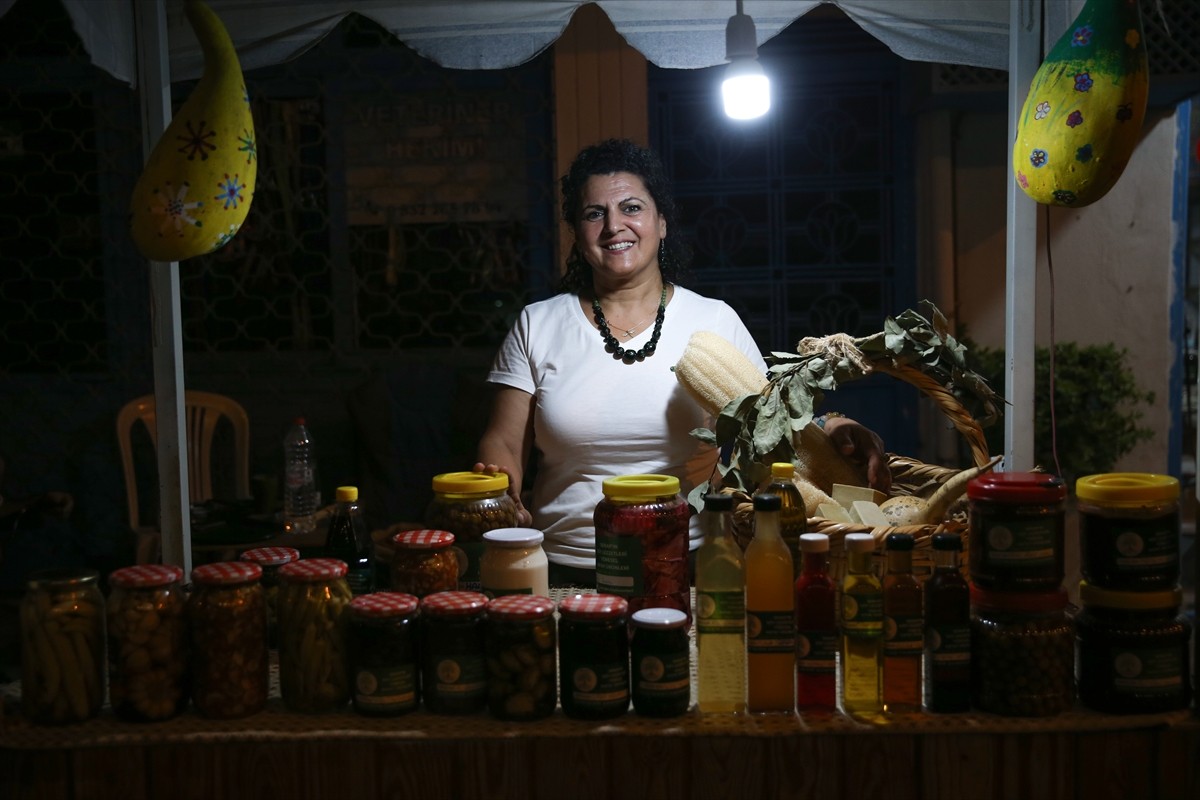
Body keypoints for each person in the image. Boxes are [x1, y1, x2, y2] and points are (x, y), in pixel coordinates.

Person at [475, 138, 888, 582]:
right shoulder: (538, 324)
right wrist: (500, 488)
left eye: (631, 208)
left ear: (662, 222)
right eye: (595, 214)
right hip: (563, 565)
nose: (614, 225)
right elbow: (502, 441)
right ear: (577, 233)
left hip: (686, 561)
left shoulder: (712, 320)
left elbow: (773, 419)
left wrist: (835, 426)